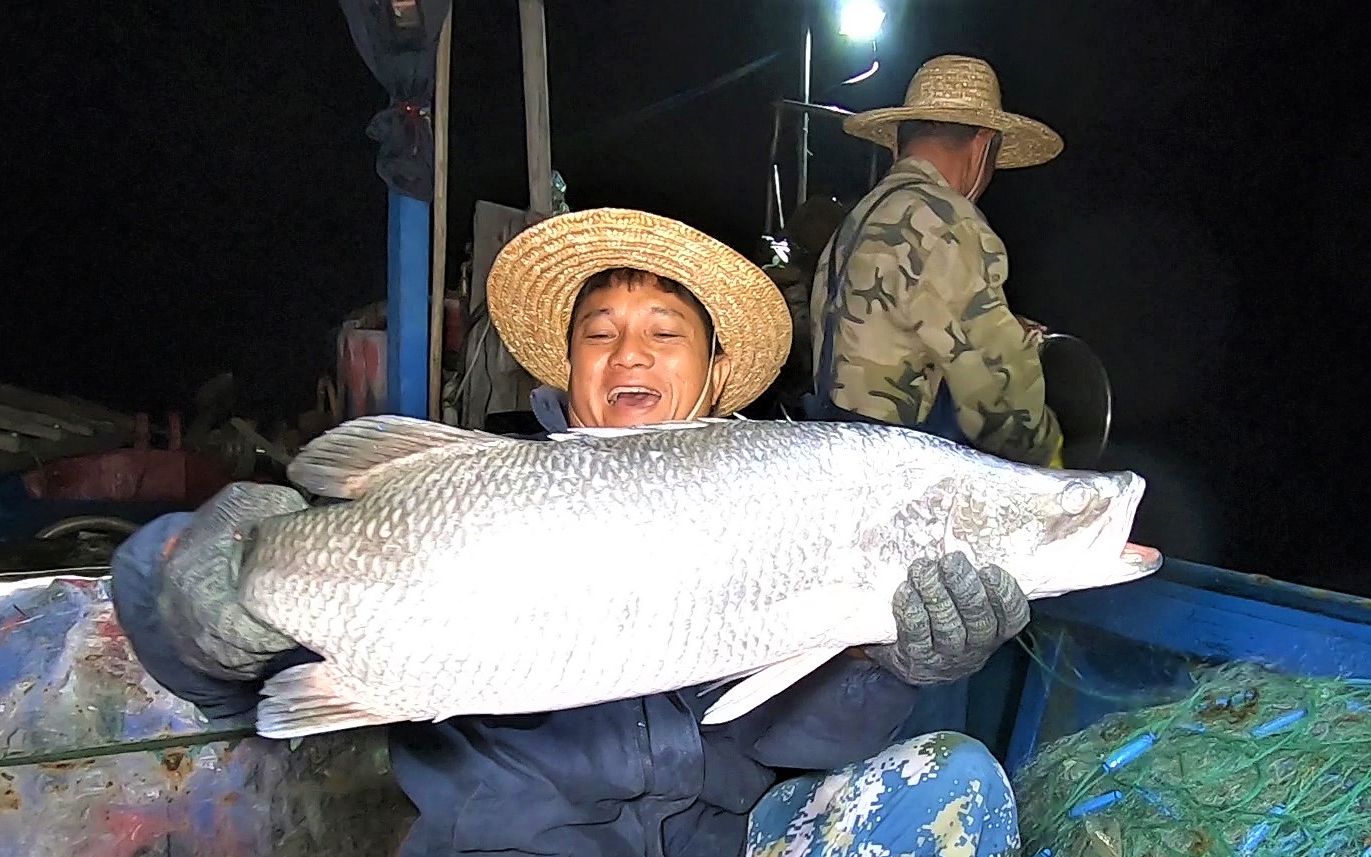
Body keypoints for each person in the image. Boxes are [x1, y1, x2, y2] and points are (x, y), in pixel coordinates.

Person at [111, 208, 1029, 856]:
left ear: (714, 374)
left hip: (726, 843)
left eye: (664, 331)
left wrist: (884, 662)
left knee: (950, 784)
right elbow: (207, 661)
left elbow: (787, 743)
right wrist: (190, 571)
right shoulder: (475, 485)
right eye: (600, 333)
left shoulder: (774, 496)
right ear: (572, 368)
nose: (629, 353)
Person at [807, 54, 1064, 467]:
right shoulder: (944, 220)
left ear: (898, 140)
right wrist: (1055, 473)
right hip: (893, 476)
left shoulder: (860, 217)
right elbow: (1001, 404)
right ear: (982, 144)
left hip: (833, 453)